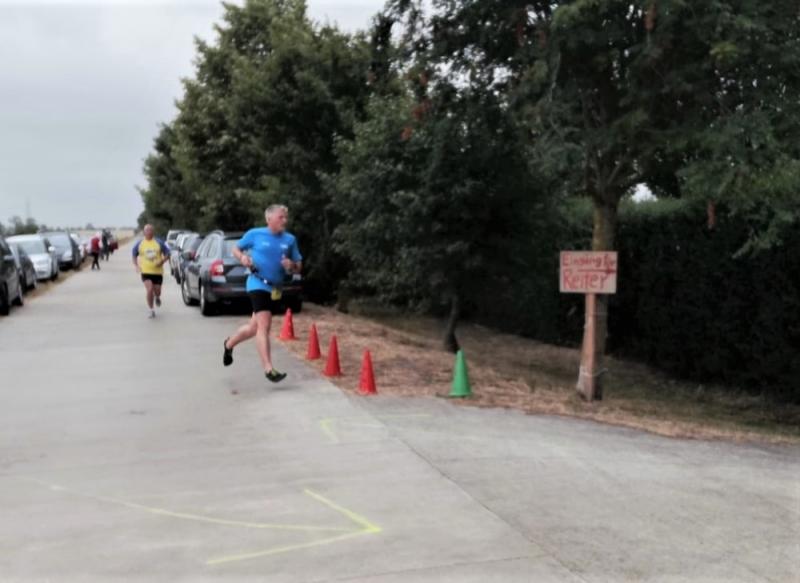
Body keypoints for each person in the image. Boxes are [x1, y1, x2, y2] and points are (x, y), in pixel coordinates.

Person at [222, 204, 302, 383]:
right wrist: (242, 257)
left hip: (275, 288)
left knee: (253, 328)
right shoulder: (255, 234)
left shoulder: (290, 239)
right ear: (269, 219)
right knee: (264, 326)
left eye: (285, 217)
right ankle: (268, 369)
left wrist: (291, 265)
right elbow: (236, 249)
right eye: (281, 217)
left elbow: (298, 266)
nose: (284, 221)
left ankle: (229, 344)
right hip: (257, 283)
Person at [132, 224, 170, 319]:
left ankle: (157, 297)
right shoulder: (139, 243)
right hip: (145, 271)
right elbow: (134, 255)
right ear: (144, 232)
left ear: (153, 232)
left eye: (150, 230)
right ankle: (151, 309)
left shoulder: (159, 242)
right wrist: (136, 266)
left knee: (157, 291)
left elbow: (168, 254)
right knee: (149, 289)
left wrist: (162, 261)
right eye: (147, 230)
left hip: (157, 272)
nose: (149, 232)